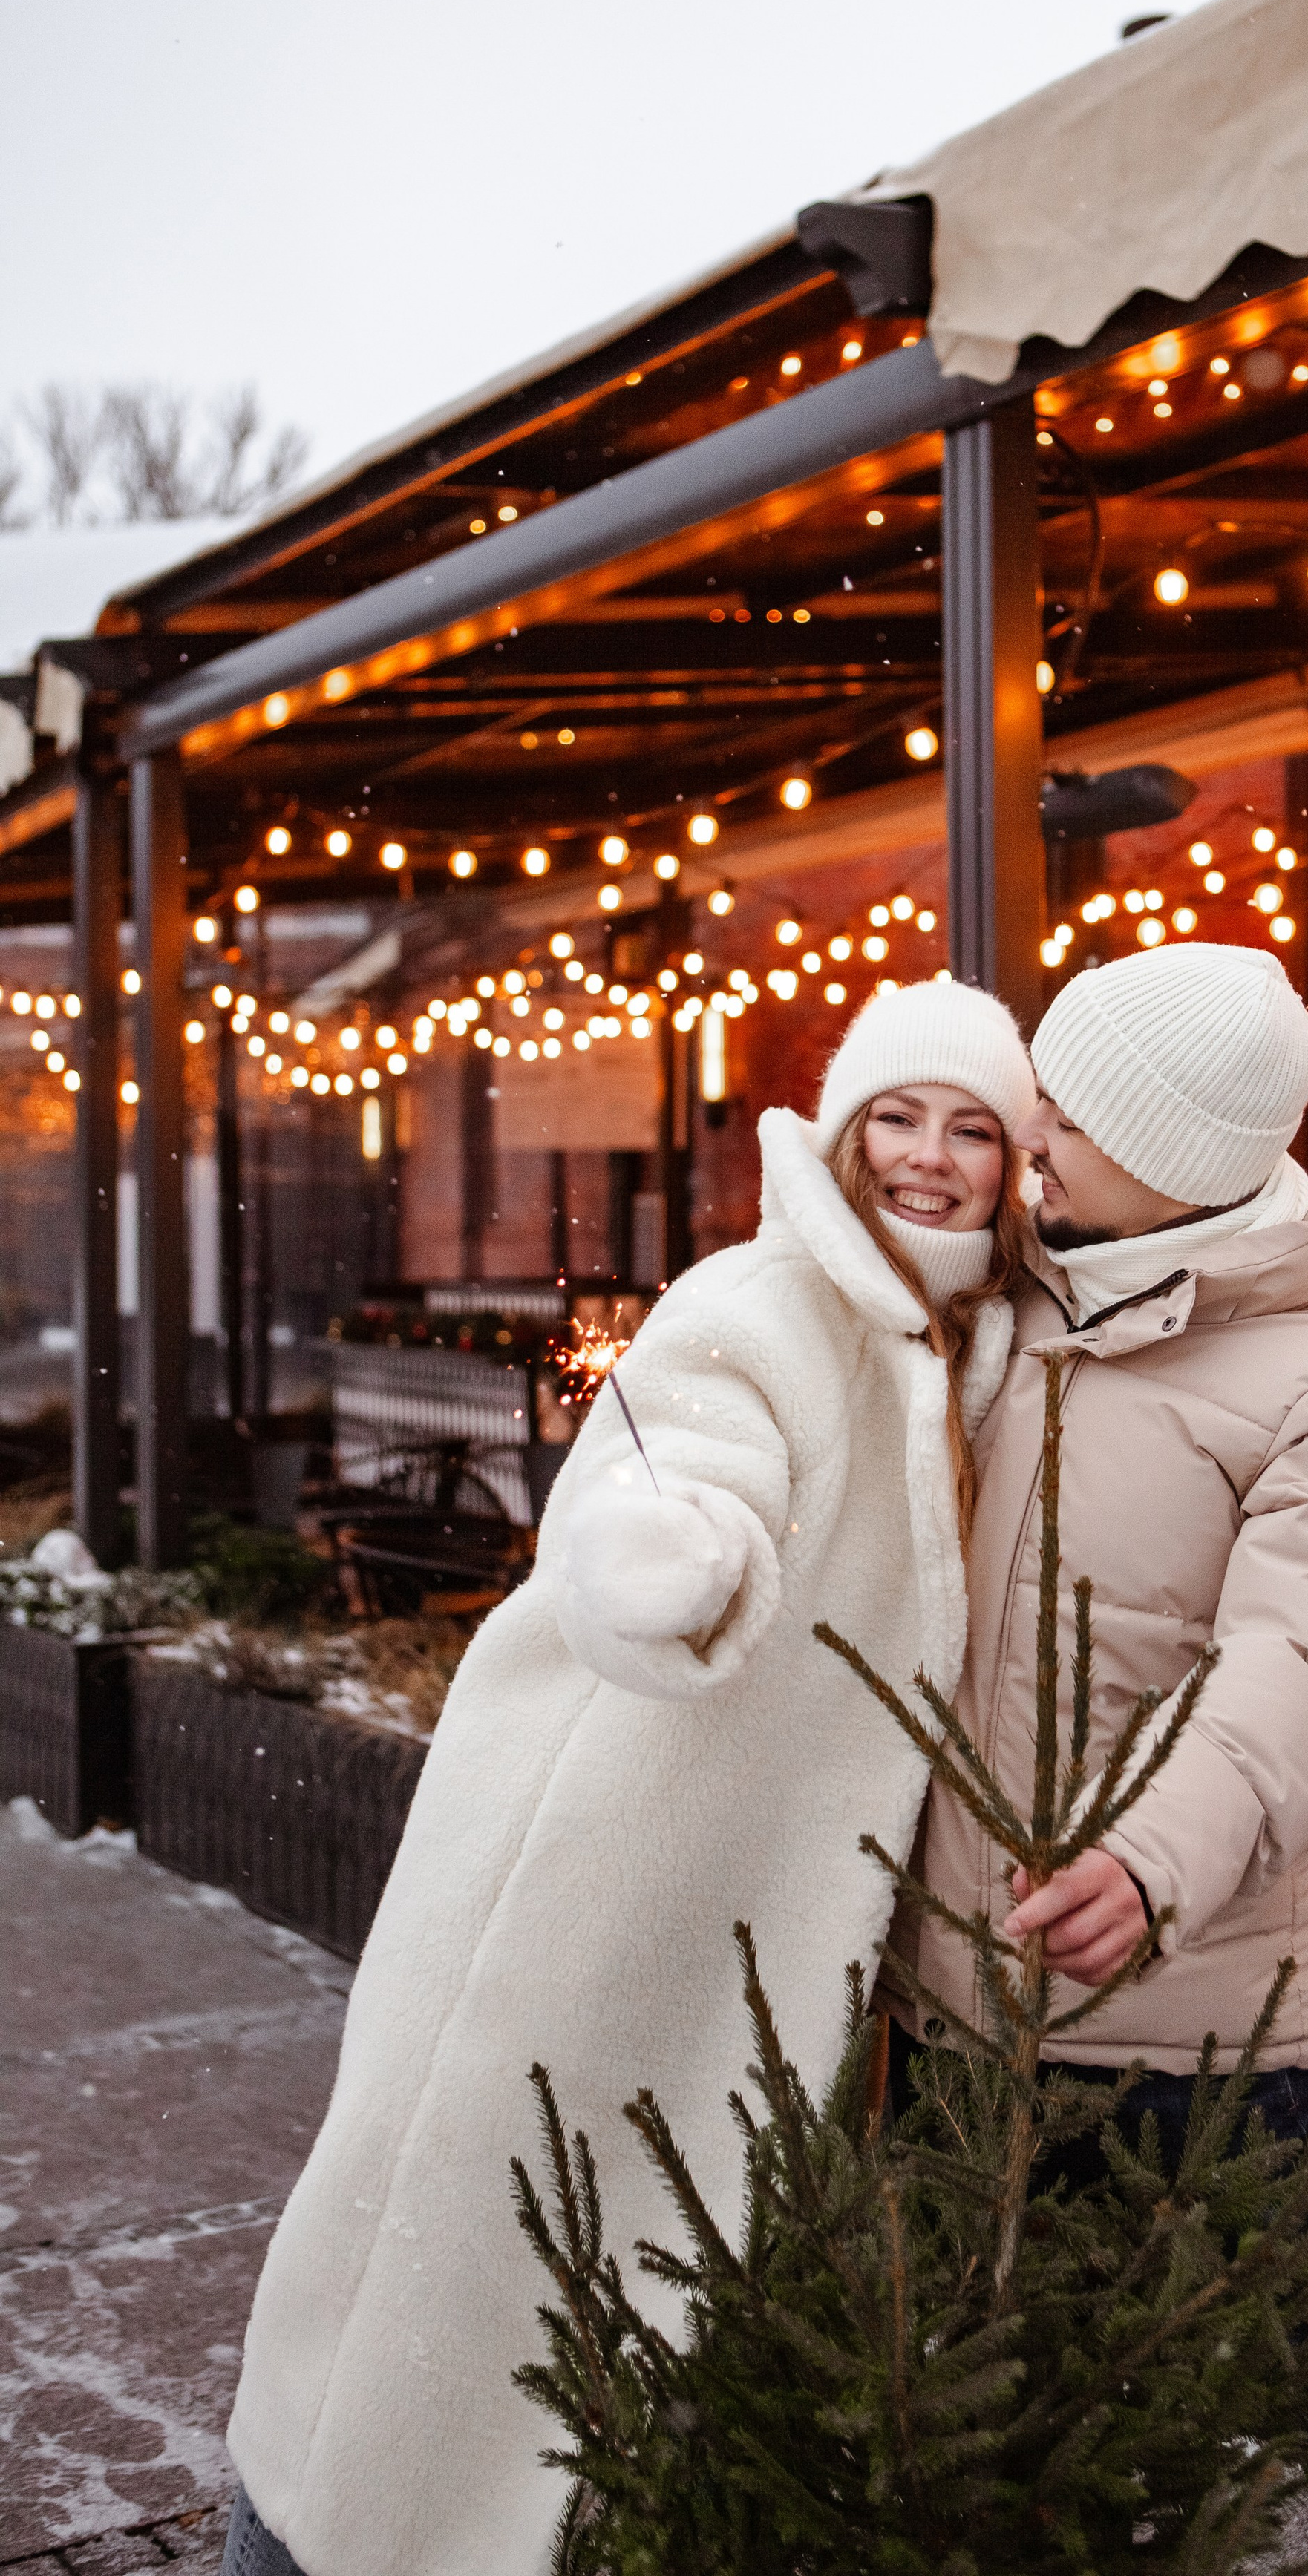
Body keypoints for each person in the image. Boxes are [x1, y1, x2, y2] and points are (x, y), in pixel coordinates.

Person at [220, 980, 1036, 2576]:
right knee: (445, 2271)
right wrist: (674, 1557)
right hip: (608, 1868)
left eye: (970, 1131)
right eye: (896, 1117)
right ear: (844, 1132)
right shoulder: (759, 1299)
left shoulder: (985, 1347)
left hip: (783, 1914)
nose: (928, 1160)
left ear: (1014, 1167)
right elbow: (692, 1454)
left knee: (616, 2308)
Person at [896, 938, 1308, 2531]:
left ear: (1171, 1162)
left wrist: (1151, 1859)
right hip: (956, 2007)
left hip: (1189, 2035)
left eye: (1068, 1116)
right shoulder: (1005, 1311)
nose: (1030, 1132)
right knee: (1001, 2437)